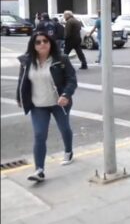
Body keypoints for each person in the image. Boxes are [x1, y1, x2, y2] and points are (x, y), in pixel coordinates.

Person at [16, 31, 77, 182]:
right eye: (38, 42)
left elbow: (72, 80)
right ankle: (39, 170)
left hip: (59, 103)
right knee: (39, 135)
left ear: (50, 43)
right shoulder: (26, 61)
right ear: (33, 45)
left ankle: (68, 151)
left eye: (45, 41)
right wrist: (20, 97)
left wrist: (66, 95)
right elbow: (21, 81)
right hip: (38, 105)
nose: (42, 44)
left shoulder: (60, 59)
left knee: (64, 128)